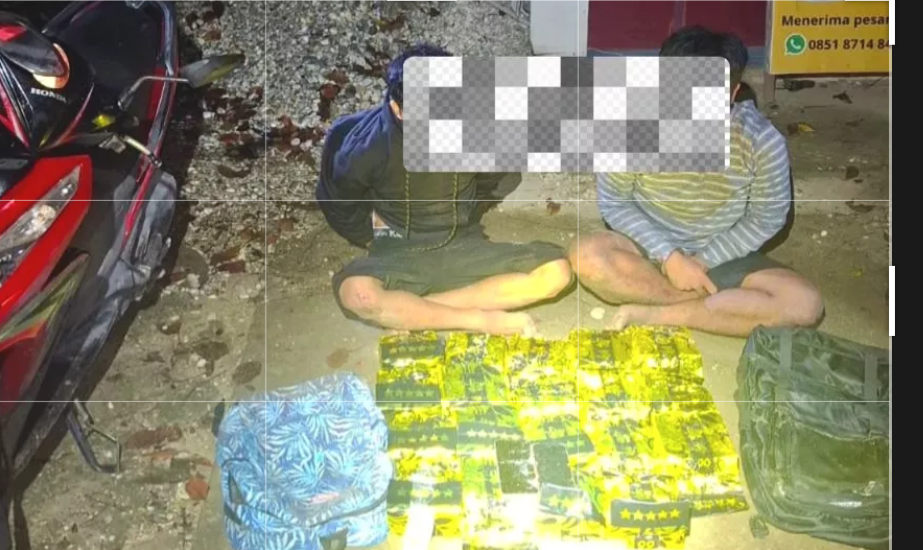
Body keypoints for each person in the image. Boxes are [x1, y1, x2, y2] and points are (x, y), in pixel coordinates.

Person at [569, 26, 823, 337]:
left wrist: (703, 261)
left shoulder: (761, 141)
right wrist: (670, 257)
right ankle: (708, 307)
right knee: (587, 258)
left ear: (732, 93)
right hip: (648, 247)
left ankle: (658, 313)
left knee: (805, 304)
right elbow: (615, 202)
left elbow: (766, 218)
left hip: (723, 252)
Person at [317, 43, 572, 336]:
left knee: (556, 273)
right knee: (358, 295)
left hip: (461, 242)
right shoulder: (362, 144)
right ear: (398, 109)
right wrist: (372, 238)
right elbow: (337, 202)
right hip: (397, 249)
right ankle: (476, 320)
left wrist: (467, 214)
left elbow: (496, 177)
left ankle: (413, 312)